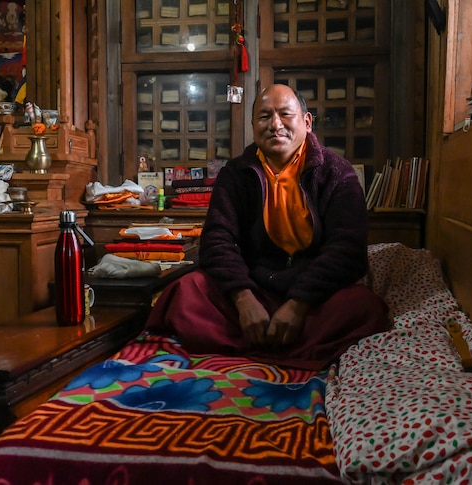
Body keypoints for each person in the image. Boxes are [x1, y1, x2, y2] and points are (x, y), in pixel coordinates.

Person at [145, 84, 389, 370]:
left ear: (306, 122)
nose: (275, 125)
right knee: (186, 291)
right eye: (264, 117)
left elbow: (347, 250)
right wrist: (243, 298)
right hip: (254, 291)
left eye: (285, 114)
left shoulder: (337, 173)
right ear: (252, 126)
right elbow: (217, 241)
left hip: (313, 299)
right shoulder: (236, 174)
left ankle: (253, 344)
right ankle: (286, 345)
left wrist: (299, 304)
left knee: (364, 307)